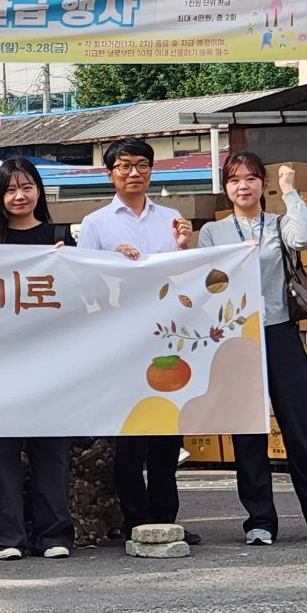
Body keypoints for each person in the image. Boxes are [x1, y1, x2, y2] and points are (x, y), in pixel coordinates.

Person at [198, 153, 307, 546]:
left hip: (279, 331)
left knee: (300, 428)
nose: (243, 187)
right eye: (234, 180)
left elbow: (306, 238)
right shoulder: (213, 233)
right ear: (225, 187)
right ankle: (259, 522)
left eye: (251, 179)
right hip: (235, 339)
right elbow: (204, 283)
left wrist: (289, 190)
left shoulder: (279, 223)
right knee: (248, 432)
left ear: (262, 184)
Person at [77, 138, 198, 545]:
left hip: (167, 342)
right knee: (128, 438)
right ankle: (135, 521)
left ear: (152, 170)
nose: (134, 173)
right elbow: (84, 283)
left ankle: (167, 519)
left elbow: (188, 278)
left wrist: (184, 249)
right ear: (109, 172)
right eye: (124, 166)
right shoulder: (96, 224)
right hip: (121, 344)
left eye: (142, 165)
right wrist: (113, 261)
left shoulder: (171, 219)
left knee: (166, 435)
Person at [0, 158, 75, 561]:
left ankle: (54, 534)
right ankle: (5, 537)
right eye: (10, 190)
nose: (19, 196)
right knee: (0, 452)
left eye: (27, 187)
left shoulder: (60, 239)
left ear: (39, 192)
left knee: (50, 449)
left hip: (51, 359)